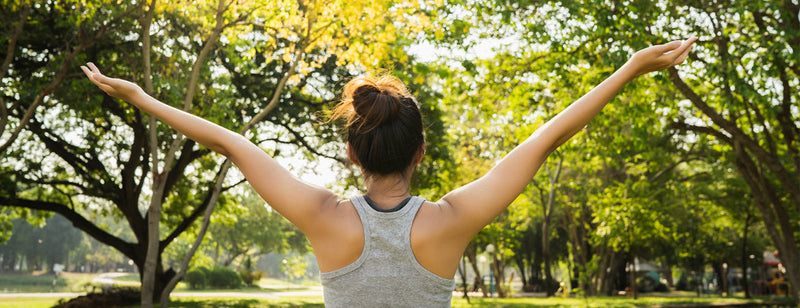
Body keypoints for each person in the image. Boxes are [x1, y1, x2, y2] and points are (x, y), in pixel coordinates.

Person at [81, 37, 696, 307]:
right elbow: (546, 138)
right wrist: (629, 69)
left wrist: (143, 98)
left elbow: (231, 143)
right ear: (420, 153)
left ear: (352, 154)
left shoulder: (323, 218)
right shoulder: (451, 221)